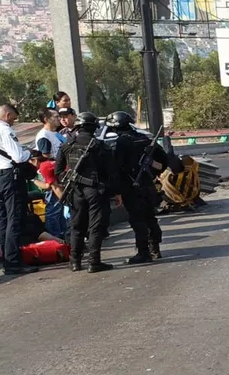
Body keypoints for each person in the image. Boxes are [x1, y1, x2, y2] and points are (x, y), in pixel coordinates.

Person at [57, 112, 120, 273]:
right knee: (95, 227)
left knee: (77, 226)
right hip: (95, 191)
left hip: (75, 191)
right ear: (93, 128)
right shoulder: (100, 146)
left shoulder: (67, 145)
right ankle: (94, 262)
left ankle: (75, 261)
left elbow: (58, 171)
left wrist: (71, 178)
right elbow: (112, 173)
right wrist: (115, 192)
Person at [109, 111, 167, 263]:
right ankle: (155, 248)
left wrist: (117, 189)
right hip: (148, 185)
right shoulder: (144, 138)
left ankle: (143, 252)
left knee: (138, 220)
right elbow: (164, 160)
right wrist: (154, 172)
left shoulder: (122, 142)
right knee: (150, 217)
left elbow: (117, 167)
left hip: (132, 187)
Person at [0, 104, 39, 275]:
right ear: (7, 115)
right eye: (13, 118)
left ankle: (8, 260)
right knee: (14, 219)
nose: (13, 122)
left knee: (4, 220)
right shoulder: (5, 130)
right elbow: (18, 156)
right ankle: (14, 262)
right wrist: (30, 154)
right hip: (9, 176)